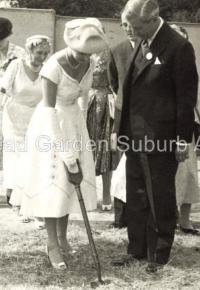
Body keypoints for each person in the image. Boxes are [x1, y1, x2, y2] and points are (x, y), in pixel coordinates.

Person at [112, 0, 198, 273]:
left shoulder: (178, 47)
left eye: (136, 26)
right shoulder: (141, 39)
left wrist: (183, 139)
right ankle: (136, 249)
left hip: (162, 138)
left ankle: (159, 255)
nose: (131, 32)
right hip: (133, 136)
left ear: (153, 19)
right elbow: (129, 90)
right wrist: (119, 131)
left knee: (159, 195)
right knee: (135, 195)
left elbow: (186, 98)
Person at [19, 18, 107, 270]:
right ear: (70, 45)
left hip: (73, 123)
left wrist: (81, 139)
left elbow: (83, 100)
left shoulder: (88, 63)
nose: (83, 58)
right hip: (50, 126)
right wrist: (65, 150)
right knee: (53, 182)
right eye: (80, 53)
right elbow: (48, 110)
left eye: (88, 54)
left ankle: (63, 237)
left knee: (71, 182)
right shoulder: (52, 65)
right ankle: (51, 243)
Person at [1, 35, 51, 228]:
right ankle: (16, 204)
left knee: (34, 160)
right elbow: (3, 88)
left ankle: (32, 205)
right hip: (13, 118)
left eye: (46, 53)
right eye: (39, 53)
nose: (42, 57)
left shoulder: (47, 68)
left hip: (36, 119)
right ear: (29, 51)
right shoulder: (16, 65)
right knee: (16, 160)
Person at [170, 24, 200, 234]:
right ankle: (169, 217)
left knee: (188, 173)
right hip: (163, 127)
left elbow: (190, 97)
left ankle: (185, 219)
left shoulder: (189, 63)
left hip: (184, 126)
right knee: (168, 176)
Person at [108, 12, 137, 228]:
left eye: (132, 24)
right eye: (124, 25)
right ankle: (120, 218)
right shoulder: (117, 50)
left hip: (148, 120)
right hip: (123, 116)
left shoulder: (153, 49)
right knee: (122, 168)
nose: (128, 28)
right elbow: (113, 83)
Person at [86, 18, 114, 211]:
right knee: (83, 149)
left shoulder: (110, 53)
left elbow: (116, 80)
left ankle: (106, 196)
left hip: (104, 102)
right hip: (84, 102)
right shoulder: (81, 54)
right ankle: (85, 196)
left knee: (105, 150)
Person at [0, 17, 25, 187]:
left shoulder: (20, 54)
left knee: (12, 149)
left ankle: (13, 189)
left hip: (11, 108)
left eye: (1, 39)